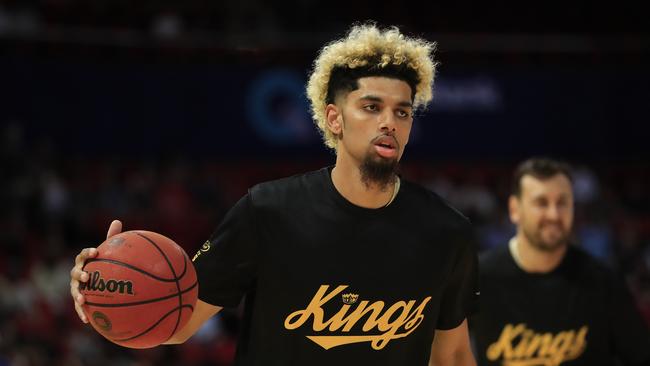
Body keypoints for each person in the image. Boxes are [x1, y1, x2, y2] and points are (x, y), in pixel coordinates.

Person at [70, 23, 479, 366]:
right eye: (371, 107)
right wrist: (104, 291)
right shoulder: (267, 211)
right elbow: (177, 322)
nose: (389, 121)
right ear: (334, 118)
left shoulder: (446, 232)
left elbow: (453, 356)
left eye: (402, 111)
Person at [470, 157, 650, 366]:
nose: (554, 214)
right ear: (514, 209)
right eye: (541, 203)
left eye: (562, 203)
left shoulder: (603, 282)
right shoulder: (477, 278)